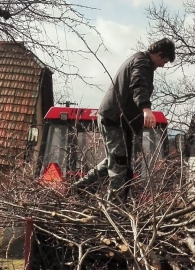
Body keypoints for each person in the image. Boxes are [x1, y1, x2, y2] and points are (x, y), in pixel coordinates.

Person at [70, 38, 175, 201]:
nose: (163, 65)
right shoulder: (141, 63)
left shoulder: (143, 63)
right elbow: (138, 84)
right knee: (119, 163)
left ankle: (80, 187)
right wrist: (146, 108)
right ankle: (115, 207)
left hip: (122, 121)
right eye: (164, 61)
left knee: (118, 160)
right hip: (114, 118)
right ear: (159, 54)